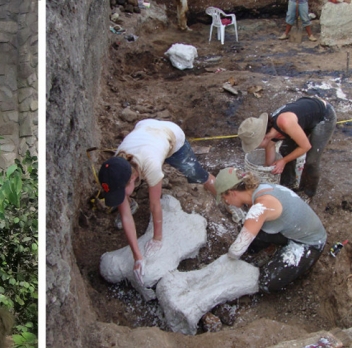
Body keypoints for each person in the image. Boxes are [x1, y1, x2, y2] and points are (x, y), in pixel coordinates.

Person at [98, 119, 216, 284]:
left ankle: (223, 193)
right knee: (123, 194)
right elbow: (125, 216)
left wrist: (157, 238)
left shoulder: (151, 166)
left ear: (133, 177)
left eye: (121, 192)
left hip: (170, 136)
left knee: (197, 175)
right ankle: (129, 199)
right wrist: (137, 257)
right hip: (145, 131)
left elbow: (155, 205)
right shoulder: (115, 167)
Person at [214, 167, 326, 293]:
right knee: (250, 234)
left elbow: (236, 250)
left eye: (224, 198)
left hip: (309, 242)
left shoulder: (261, 206)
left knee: (267, 283)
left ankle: (288, 255)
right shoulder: (258, 189)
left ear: (233, 192)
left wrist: (223, 266)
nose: (226, 202)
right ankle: (275, 248)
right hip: (293, 228)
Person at [237, 96, 336, 200]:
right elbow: (270, 146)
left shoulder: (285, 123)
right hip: (302, 115)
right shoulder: (268, 130)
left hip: (323, 115)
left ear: (263, 137)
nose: (256, 146)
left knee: (312, 161)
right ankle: (288, 184)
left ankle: (307, 192)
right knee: (285, 150)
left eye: (256, 143)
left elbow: (306, 146)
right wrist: (267, 169)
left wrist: (283, 161)